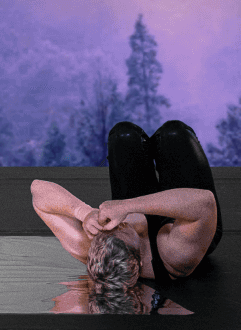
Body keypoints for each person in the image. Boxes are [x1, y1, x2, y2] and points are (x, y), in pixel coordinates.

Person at [31, 119, 221, 309]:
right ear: (139, 257)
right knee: (174, 135)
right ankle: (165, 143)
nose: (112, 224)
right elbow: (204, 202)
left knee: (124, 135)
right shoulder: (176, 254)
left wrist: (84, 212)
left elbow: (38, 190)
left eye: (105, 231)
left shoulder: (90, 246)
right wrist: (126, 206)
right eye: (122, 228)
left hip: (137, 209)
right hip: (195, 222)